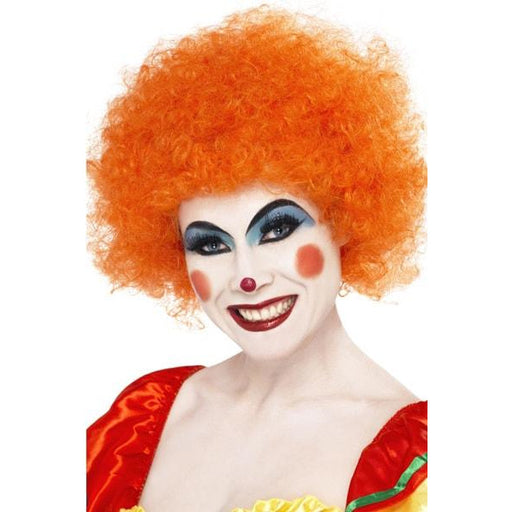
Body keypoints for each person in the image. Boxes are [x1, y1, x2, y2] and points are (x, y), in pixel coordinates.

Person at [87, 7, 427, 512]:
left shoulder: (414, 466)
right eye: (211, 245)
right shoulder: (139, 423)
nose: (246, 276)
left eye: (277, 230)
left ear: (344, 221)